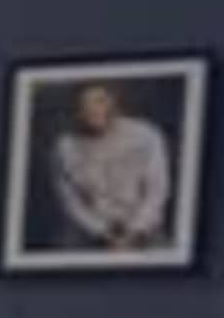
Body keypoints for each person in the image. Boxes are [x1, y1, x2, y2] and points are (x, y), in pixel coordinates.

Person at [50, 80, 175, 250]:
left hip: (145, 232)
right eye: (84, 105)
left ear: (113, 102)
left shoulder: (146, 135)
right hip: (91, 235)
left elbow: (157, 189)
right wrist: (102, 233)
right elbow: (70, 201)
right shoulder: (65, 146)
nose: (92, 110)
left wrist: (135, 230)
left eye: (99, 101)